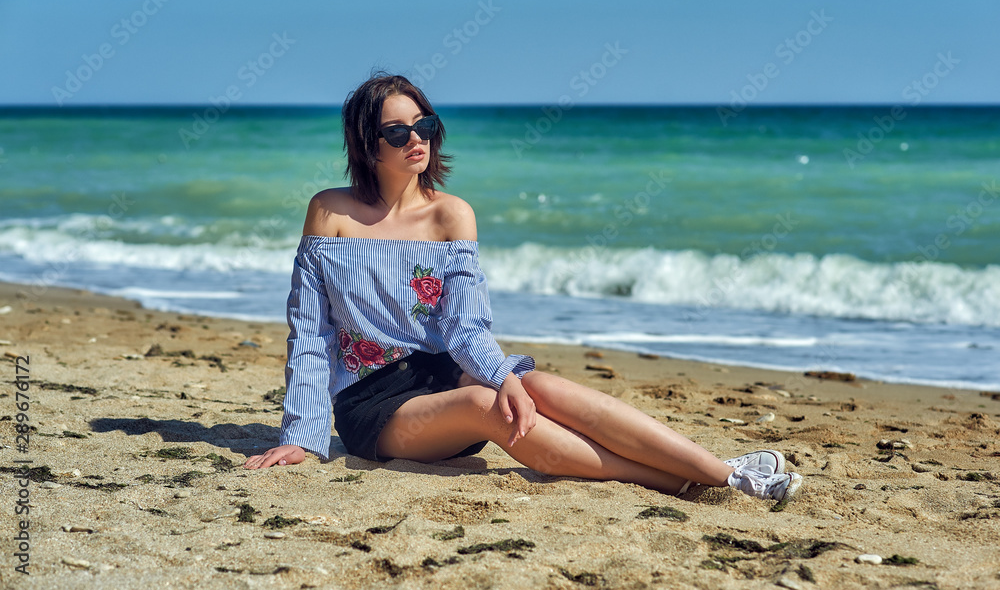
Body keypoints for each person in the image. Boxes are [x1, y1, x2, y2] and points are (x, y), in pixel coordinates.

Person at [243, 72, 803, 502]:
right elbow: (310, 332)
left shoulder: (451, 216)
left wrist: (502, 373)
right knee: (493, 405)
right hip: (373, 405)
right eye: (398, 131)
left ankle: (723, 469)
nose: (417, 139)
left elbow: (464, 328)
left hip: (441, 372)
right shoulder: (330, 213)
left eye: (425, 125)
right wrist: (304, 436)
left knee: (538, 387)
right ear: (368, 145)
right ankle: (692, 480)